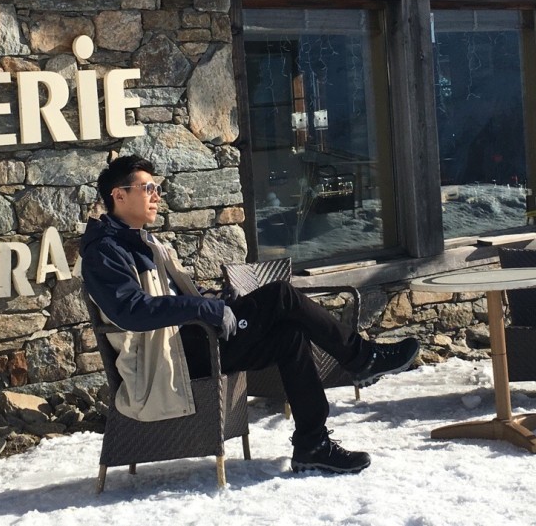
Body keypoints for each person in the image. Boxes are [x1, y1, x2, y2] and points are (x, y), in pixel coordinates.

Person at [79, 154, 420, 475]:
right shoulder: (106, 251)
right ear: (118, 196)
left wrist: (216, 300)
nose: (156, 195)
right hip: (167, 361)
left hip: (188, 344)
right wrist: (206, 308)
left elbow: (172, 298)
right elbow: (132, 311)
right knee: (281, 295)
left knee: (290, 335)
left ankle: (312, 444)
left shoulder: (144, 242)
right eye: (147, 188)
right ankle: (361, 358)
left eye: (157, 188)